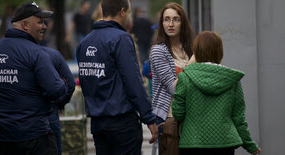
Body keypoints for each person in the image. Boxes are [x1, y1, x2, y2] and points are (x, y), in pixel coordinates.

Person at [0, 1, 68, 154]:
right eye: (40, 22)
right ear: (25, 25)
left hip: (2, 138)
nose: (44, 26)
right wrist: (62, 83)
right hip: (35, 137)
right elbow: (57, 91)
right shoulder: (36, 53)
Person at [76, 0, 158, 154]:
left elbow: (86, 82)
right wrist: (148, 117)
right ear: (122, 11)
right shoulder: (121, 38)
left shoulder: (84, 42)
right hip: (122, 123)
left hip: (98, 123)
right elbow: (133, 81)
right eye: (129, 12)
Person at [172, 31, 262, 155]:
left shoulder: (185, 78)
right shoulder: (231, 80)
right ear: (220, 51)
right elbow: (239, 119)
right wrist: (249, 145)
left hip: (192, 143)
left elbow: (178, 113)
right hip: (225, 144)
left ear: (196, 52)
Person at [149, 2, 194, 154]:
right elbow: (175, 88)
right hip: (169, 118)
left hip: (191, 116)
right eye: (166, 19)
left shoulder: (190, 49)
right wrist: (192, 63)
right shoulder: (158, 51)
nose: (171, 24)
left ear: (183, 23)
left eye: (176, 19)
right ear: (161, 23)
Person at [43, 47, 76, 155]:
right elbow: (70, 84)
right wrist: (59, 103)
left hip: (19, 117)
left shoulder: (12, 54)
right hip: (49, 112)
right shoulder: (52, 54)